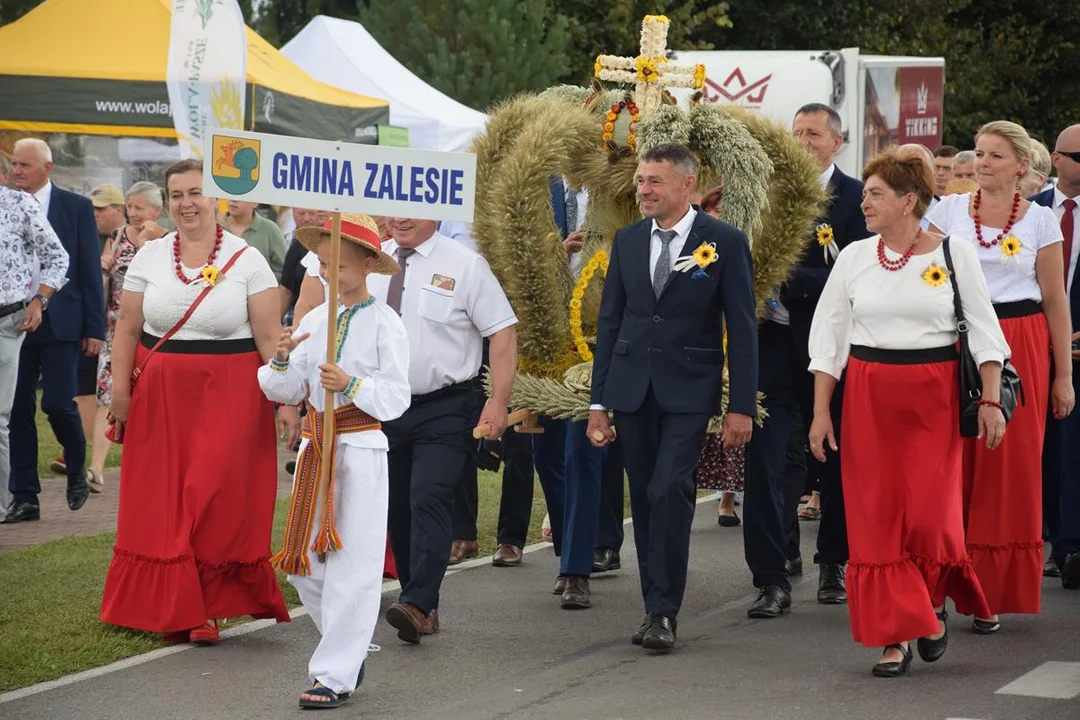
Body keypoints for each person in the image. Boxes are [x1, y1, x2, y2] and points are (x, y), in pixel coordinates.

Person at [809, 148, 1008, 677]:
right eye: (866, 192)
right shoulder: (853, 256)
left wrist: (990, 401)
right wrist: (821, 412)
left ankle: (930, 610)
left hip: (934, 399)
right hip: (869, 398)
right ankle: (895, 637)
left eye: (876, 194)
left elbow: (987, 335)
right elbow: (829, 340)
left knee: (928, 518)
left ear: (909, 201)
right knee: (876, 523)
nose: (864, 202)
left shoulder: (954, 254)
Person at [99, 159, 289, 642]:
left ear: (216, 198)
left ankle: (208, 604)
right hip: (161, 393)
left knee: (213, 496)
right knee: (164, 501)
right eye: (177, 194)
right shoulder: (150, 256)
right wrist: (120, 393)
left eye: (196, 193)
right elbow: (126, 328)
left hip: (231, 393)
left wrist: (287, 400)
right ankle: (175, 607)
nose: (187, 203)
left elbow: (269, 340)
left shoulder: (248, 259)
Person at [588, 143, 758, 651]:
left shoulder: (724, 242)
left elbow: (743, 328)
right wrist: (599, 402)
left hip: (690, 390)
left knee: (669, 488)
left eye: (655, 181)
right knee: (643, 497)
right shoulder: (627, 240)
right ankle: (653, 607)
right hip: (632, 390)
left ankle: (666, 611)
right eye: (641, 181)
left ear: (688, 185)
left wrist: (741, 405)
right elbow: (611, 321)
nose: (644, 190)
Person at [928, 121, 1075, 632]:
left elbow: (1056, 301)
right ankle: (942, 582)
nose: (983, 163)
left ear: (1021, 166)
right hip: (956, 338)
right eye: (980, 154)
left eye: (994, 155)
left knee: (1007, 468)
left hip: (1022, 340)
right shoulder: (946, 211)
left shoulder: (1039, 221)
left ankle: (990, 591)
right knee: (949, 461)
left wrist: (1064, 376)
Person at [259, 213, 410, 709]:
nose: (329, 273)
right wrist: (280, 360)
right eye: (323, 264)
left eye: (340, 266)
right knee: (304, 566)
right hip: (315, 448)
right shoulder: (312, 320)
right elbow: (285, 389)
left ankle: (335, 675)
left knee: (353, 563)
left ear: (369, 264)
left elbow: (396, 399)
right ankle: (346, 647)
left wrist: (351, 384)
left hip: (360, 449)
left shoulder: (386, 323)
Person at [370, 216, 517, 643]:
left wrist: (499, 402)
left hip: (448, 405)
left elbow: (503, 334)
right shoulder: (371, 264)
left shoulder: (466, 265)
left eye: (410, 208)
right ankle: (423, 603)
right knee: (396, 505)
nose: (399, 218)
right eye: (392, 208)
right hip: (386, 404)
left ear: (434, 212)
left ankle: (416, 601)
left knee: (429, 497)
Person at [769, 103, 868, 611]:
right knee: (782, 454)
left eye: (813, 133)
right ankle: (783, 552)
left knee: (833, 457)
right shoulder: (772, 191)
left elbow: (854, 273)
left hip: (832, 348)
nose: (803, 141)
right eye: (796, 131)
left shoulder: (855, 197)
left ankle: (834, 561)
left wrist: (781, 283)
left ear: (837, 141)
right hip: (777, 345)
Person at [4, 138, 103, 524]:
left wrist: (94, 327)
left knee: (58, 404)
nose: (17, 171)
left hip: (62, 321)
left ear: (48, 167)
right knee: (16, 413)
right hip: (13, 320)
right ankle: (25, 496)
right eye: (14, 164)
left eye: (25, 165)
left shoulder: (75, 207)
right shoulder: (6, 206)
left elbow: (88, 269)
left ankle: (77, 465)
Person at [88, 182, 166, 492]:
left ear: (156, 211)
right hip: (115, 327)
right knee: (107, 395)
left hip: (151, 331)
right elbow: (105, 279)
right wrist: (103, 268)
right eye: (130, 207)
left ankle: (149, 468)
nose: (133, 213)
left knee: (149, 399)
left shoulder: (166, 240)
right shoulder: (117, 237)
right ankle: (95, 467)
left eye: (140, 207)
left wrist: (147, 244)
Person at [0, 185, 69, 519]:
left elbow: (58, 257)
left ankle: (7, 504)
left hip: (9, 319)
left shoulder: (18, 203)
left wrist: (40, 300)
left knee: (4, 416)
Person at [1035, 124, 1080, 585]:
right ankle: (1053, 540)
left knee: (1072, 449)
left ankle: (1069, 546)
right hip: (1032, 344)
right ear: (1057, 160)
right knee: (1043, 449)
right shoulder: (1031, 213)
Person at [226, 199, 287, 282]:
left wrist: (260, 283)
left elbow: (284, 270)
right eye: (229, 194)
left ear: (254, 202)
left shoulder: (269, 229)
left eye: (240, 195)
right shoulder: (215, 225)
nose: (233, 200)